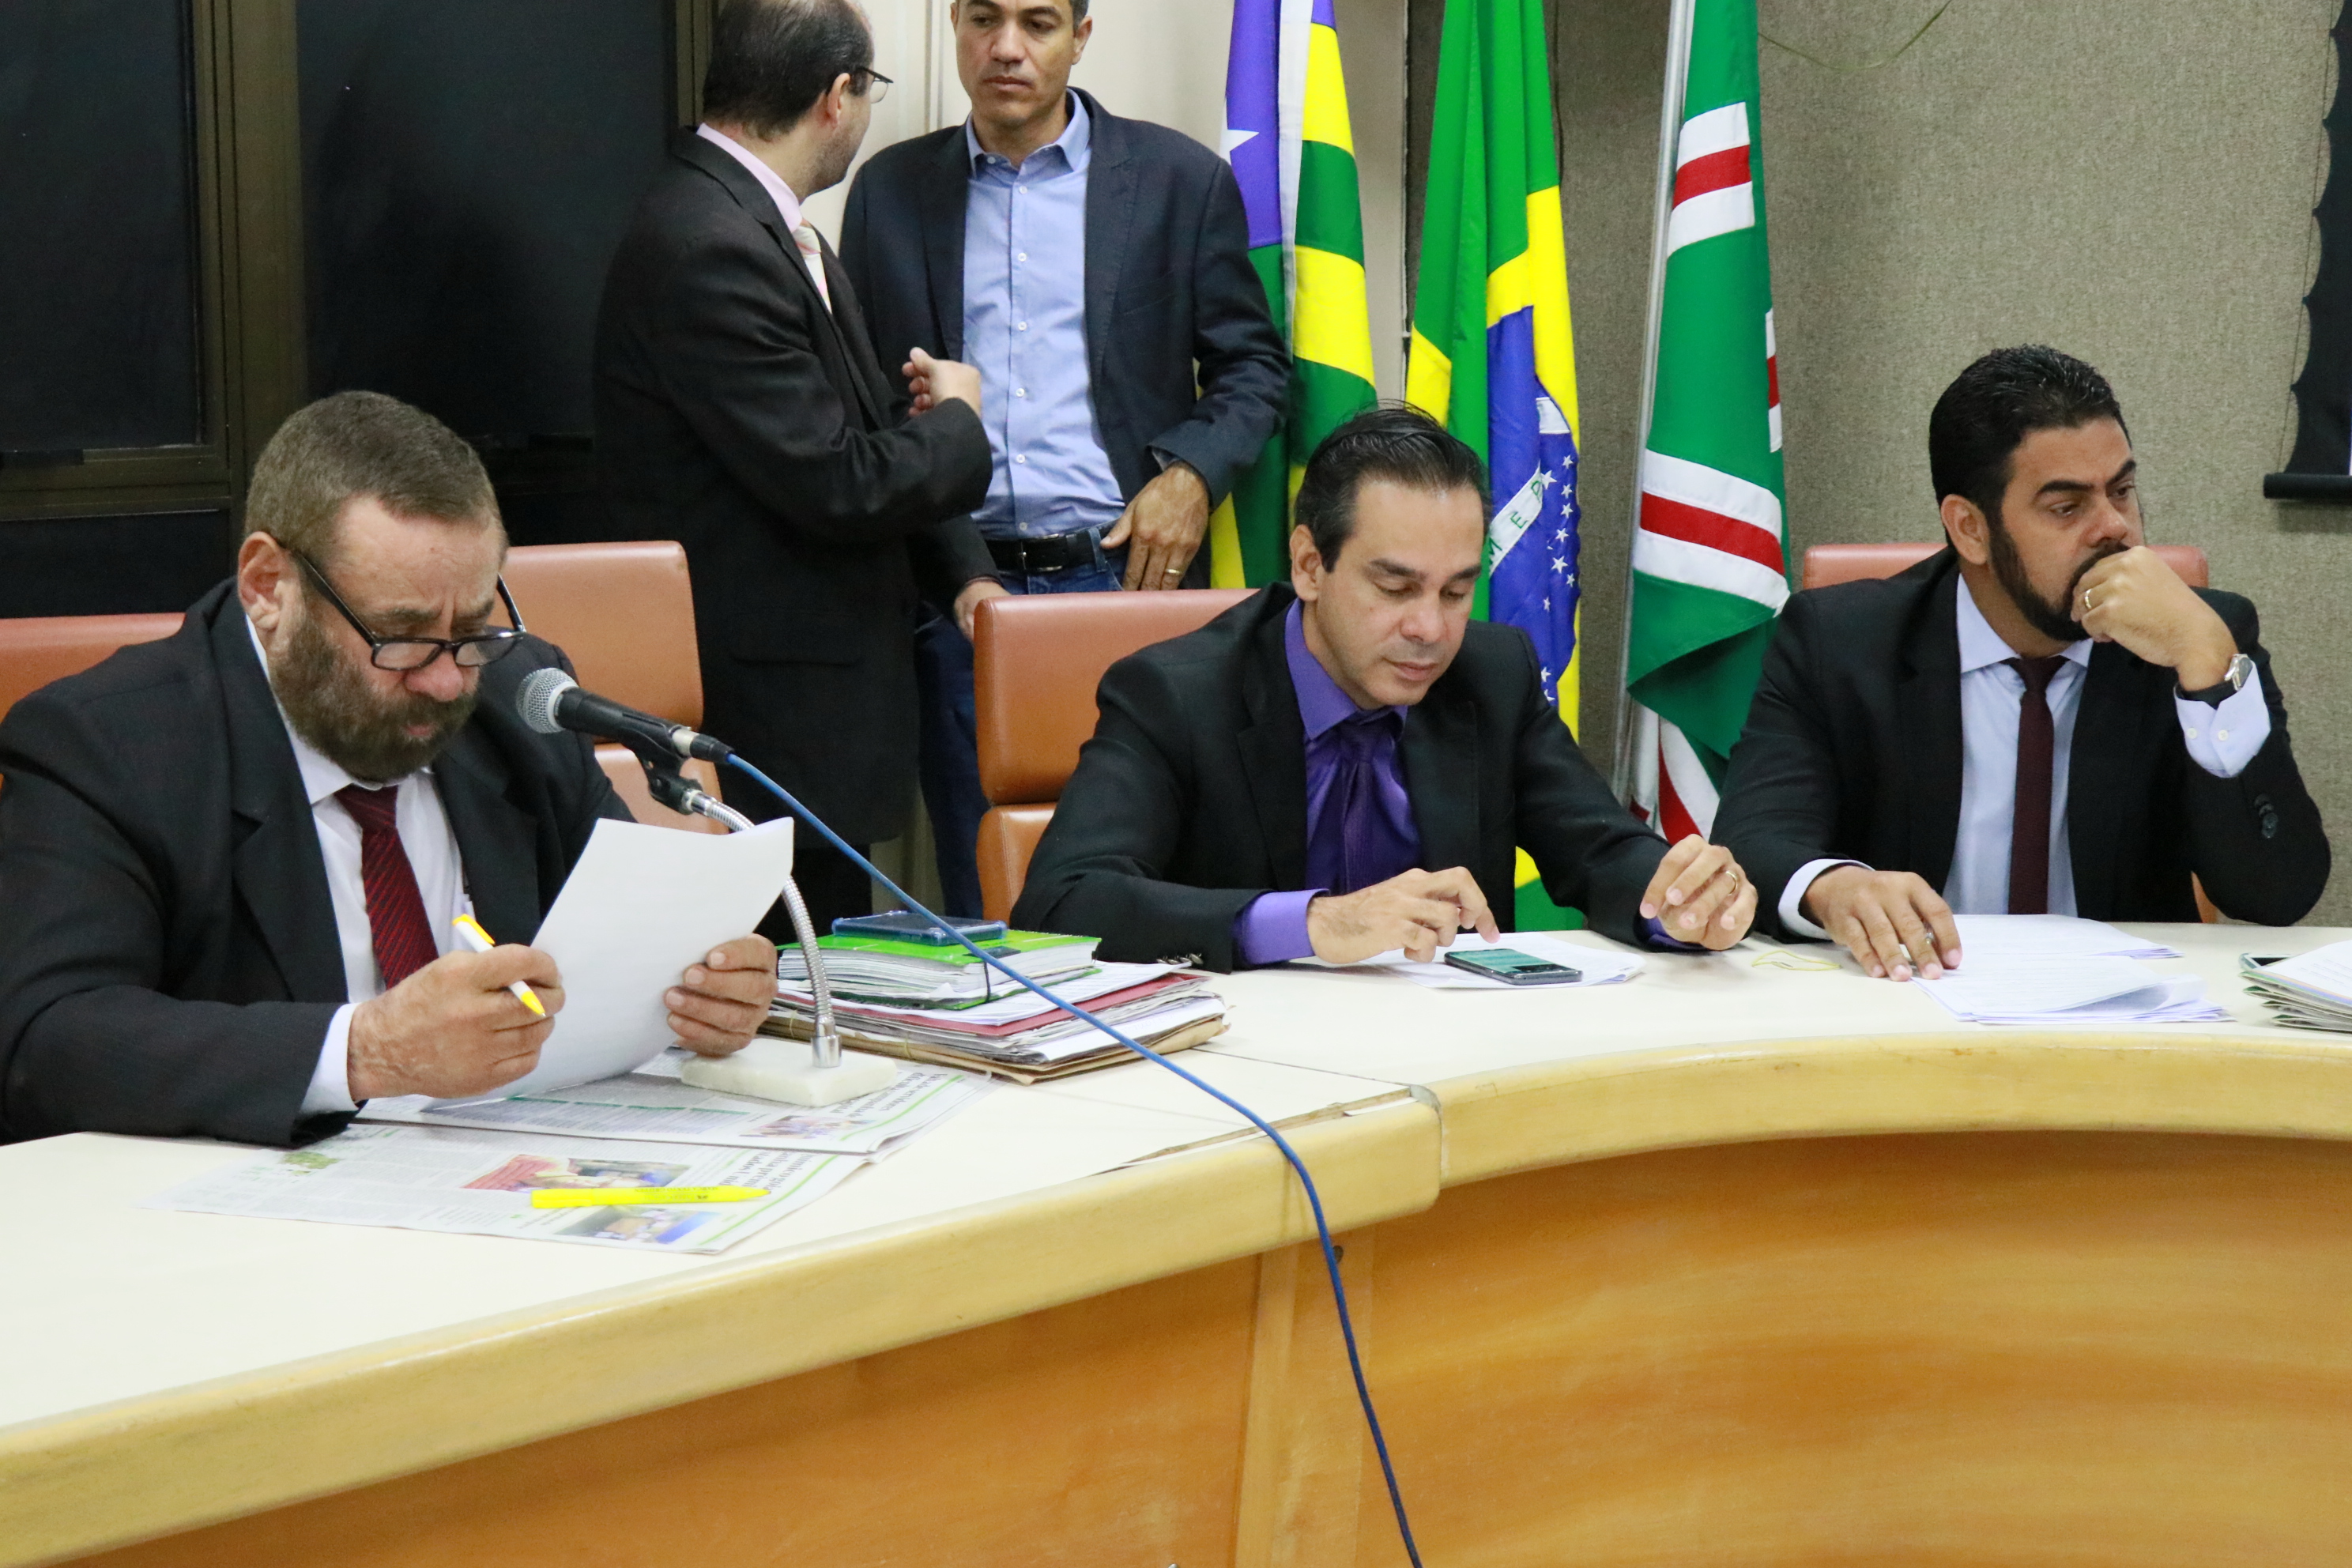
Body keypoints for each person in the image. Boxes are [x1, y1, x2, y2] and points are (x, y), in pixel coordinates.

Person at [0, 393, 778, 1147]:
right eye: (399, 637)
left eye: (471, 629)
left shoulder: (515, 696)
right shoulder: (109, 746)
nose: (444, 681)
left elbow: (631, 934)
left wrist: (706, 989)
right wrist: (366, 1050)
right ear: (268, 586)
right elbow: (44, 1038)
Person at [1012, 407, 1758, 970]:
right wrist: (1313, 922)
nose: (1430, 628)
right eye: (1395, 588)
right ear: (1310, 565)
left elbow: (1597, 850)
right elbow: (1062, 902)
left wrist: (1680, 902)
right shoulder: (1176, 693)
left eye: (1457, 591)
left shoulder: (1490, 675)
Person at [839, 0, 1287, 914]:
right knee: (990, 898)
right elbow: (873, 405)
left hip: (1125, 586)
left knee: (1145, 892)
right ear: (955, 25)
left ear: (1081, 37)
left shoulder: (1177, 181)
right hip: (961, 597)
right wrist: (962, 574)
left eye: (1037, 22)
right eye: (984, 19)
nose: (1006, 48)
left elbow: (1254, 368)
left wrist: (1191, 475)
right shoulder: (890, 192)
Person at [1713, 345, 2328, 981]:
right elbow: (1754, 841)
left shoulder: (2196, 640)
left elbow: (2277, 894)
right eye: (2067, 507)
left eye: (2121, 491)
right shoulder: (1841, 641)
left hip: (2123, 1011)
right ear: (1970, 529)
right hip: (1909, 998)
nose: (2114, 528)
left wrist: (2209, 670)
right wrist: (1836, 886)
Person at [596, 0, 1002, 934]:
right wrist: (961, 420)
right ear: (836, 96)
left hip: (806, 719)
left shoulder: (762, 222)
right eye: (868, 92)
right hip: (767, 726)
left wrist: (966, 576)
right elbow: (837, 480)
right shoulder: (713, 243)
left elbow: (858, 425)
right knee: (786, 985)